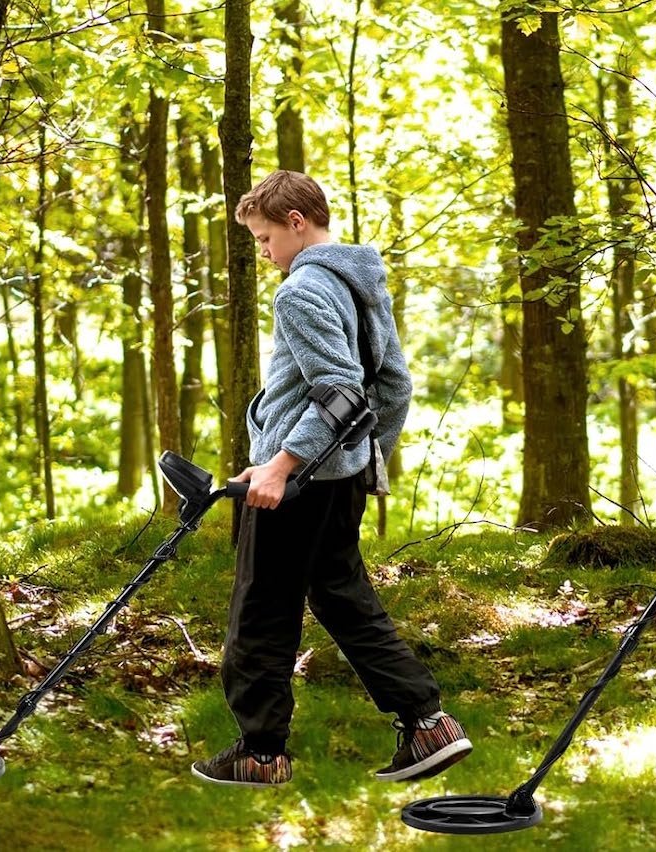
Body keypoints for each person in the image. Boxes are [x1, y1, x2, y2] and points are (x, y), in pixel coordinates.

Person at [190, 170, 472, 786]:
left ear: (297, 223)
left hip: (303, 483)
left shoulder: (301, 291)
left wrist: (285, 464)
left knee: (261, 607)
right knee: (342, 597)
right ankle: (428, 725)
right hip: (334, 477)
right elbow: (392, 388)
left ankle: (259, 753)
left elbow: (340, 392)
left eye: (265, 239)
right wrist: (360, 462)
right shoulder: (361, 283)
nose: (264, 254)